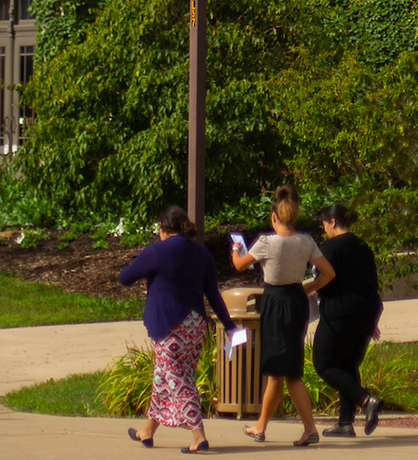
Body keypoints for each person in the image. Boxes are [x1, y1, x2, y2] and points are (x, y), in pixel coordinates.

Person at [117, 206, 239, 454]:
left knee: (178, 379)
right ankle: (147, 432)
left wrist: (149, 272)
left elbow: (125, 278)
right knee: (163, 377)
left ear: (163, 228)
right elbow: (213, 294)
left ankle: (198, 436)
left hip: (170, 325)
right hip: (195, 327)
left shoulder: (156, 252)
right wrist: (229, 326)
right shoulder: (201, 254)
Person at [230, 186, 336, 446]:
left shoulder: (267, 242)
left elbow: (239, 265)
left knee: (284, 370)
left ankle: (306, 428)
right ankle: (262, 426)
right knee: (282, 369)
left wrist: (235, 248)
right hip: (296, 302)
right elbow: (328, 273)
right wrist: (308, 288)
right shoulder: (307, 242)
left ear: (274, 217)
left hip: (275, 303)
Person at [311, 203, 383, 437]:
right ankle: (345, 422)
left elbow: (325, 279)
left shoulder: (330, 248)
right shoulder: (364, 246)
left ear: (333, 222)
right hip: (368, 311)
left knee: (324, 363)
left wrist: (308, 289)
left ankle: (366, 400)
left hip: (340, 312)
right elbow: (371, 283)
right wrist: (370, 320)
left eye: (324, 225)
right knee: (348, 364)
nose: (324, 231)